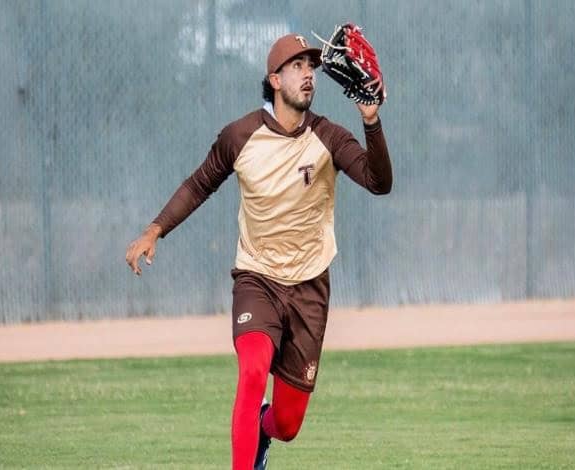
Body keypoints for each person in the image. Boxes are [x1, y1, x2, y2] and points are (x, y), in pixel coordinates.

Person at [126, 32, 392, 470]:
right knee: (251, 373)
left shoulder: (328, 136)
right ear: (274, 79)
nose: (308, 74)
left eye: (311, 66)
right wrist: (155, 230)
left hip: (309, 286)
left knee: (287, 423)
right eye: (297, 66)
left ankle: (264, 434)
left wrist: (371, 121)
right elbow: (199, 184)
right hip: (257, 280)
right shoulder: (240, 136)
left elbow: (379, 183)